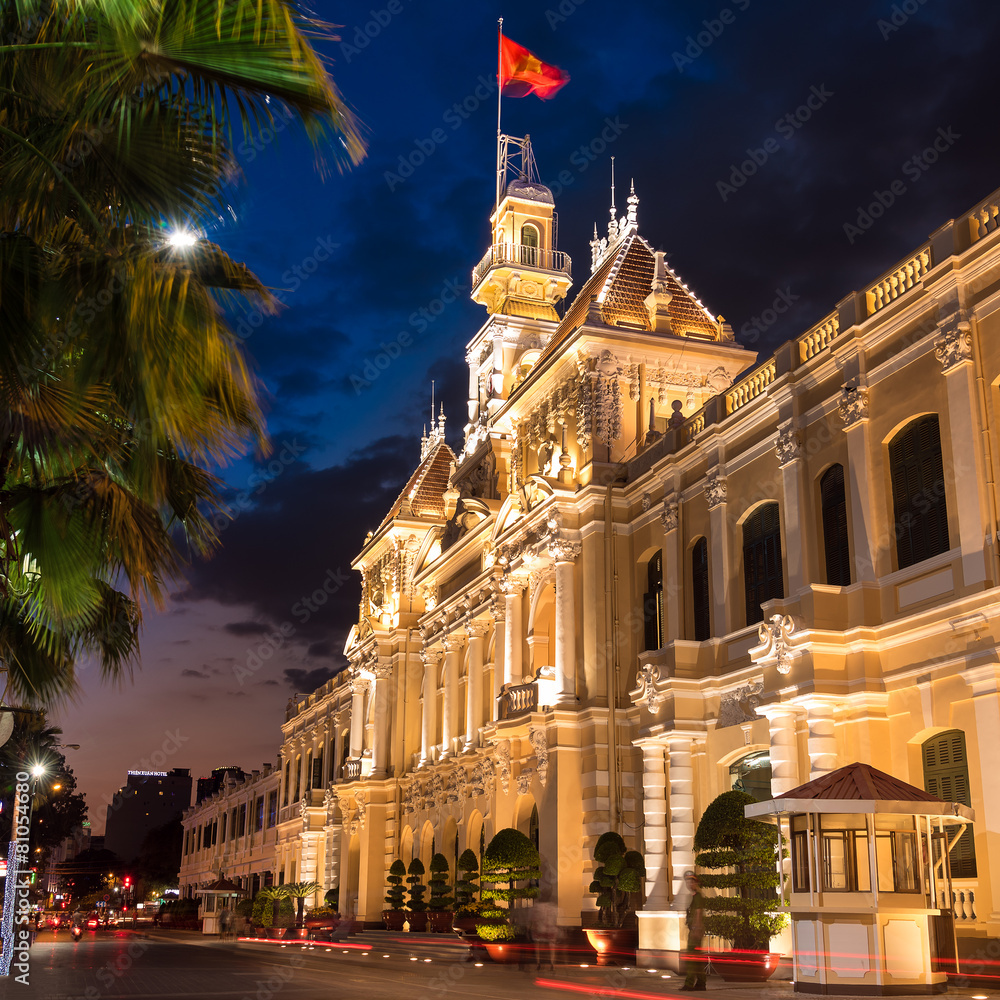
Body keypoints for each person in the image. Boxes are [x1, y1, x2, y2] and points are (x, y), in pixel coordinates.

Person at [682, 871, 707, 991]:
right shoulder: (694, 896)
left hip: (695, 930)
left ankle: (689, 983)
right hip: (694, 929)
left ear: (695, 882)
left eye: (691, 881)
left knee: (691, 959)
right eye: (687, 881)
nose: (689, 883)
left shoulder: (697, 896)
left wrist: (696, 929)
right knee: (696, 959)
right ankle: (701, 983)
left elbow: (698, 912)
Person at [531, 899, 559, 971]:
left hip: (540, 929)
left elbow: (534, 920)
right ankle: (552, 963)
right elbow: (555, 920)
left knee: (538, 947)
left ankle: (539, 963)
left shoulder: (537, 907)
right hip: (550, 928)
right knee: (552, 947)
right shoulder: (553, 907)